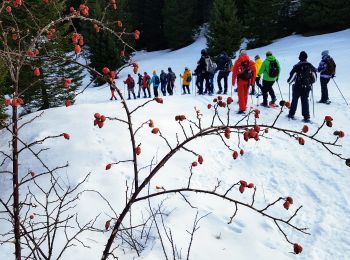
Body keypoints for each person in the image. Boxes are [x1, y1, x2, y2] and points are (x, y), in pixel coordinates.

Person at [287, 51, 317, 123]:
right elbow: (315, 78)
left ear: (300, 58)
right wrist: (309, 82)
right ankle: (306, 117)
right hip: (307, 87)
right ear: (306, 57)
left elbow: (292, 77)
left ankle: (291, 114)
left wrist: (289, 82)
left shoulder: (297, 66)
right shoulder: (310, 66)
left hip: (297, 86)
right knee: (305, 101)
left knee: (294, 100)